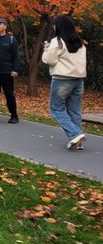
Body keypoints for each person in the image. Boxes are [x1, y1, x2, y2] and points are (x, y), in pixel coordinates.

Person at [42, 14, 87, 150]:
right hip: (78, 79)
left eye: (55, 25)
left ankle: (75, 134)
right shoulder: (80, 42)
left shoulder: (58, 41)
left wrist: (46, 50)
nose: (54, 27)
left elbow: (49, 60)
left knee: (56, 108)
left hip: (62, 79)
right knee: (74, 109)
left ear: (59, 26)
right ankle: (77, 141)